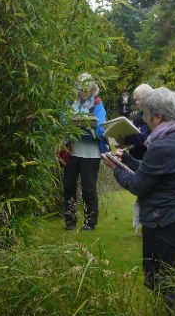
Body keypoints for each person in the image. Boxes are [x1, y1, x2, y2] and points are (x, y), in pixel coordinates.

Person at [102, 88, 175, 315]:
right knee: (167, 277)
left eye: (145, 115)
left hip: (167, 220)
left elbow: (138, 185)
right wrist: (126, 158)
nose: (143, 120)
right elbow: (152, 172)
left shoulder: (164, 144)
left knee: (162, 281)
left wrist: (115, 168)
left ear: (158, 117)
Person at [63, 73, 108, 231]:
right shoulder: (71, 101)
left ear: (92, 90)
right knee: (68, 186)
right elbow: (62, 120)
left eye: (85, 90)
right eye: (79, 89)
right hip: (72, 152)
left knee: (88, 188)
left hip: (90, 154)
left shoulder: (97, 104)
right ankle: (70, 220)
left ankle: (90, 222)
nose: (81, 92)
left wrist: (81, 129)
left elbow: (101, 129)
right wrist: (72, 126)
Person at [123, 84, 154, 160]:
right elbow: (134, 132)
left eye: (139, 99)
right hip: (135, 157)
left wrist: (126, 138)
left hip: (147, 158)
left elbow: (145, 139)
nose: (136, 102)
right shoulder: (139, 115)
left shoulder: (154, 116)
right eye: (135, 100)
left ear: (148, 98)